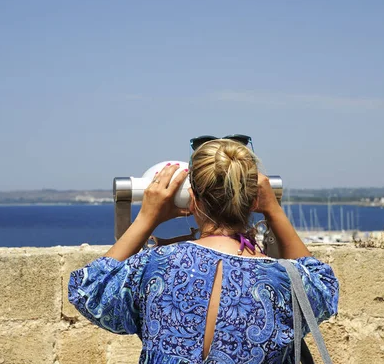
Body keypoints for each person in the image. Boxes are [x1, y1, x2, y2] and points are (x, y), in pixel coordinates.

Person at [68, 139, 339, 364]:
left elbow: (88, 289)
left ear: (192, 199)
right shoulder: (285, 280)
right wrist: (273, 210)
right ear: (253, 199)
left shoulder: (153, 266)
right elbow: (325, 287)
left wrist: (146, 217)